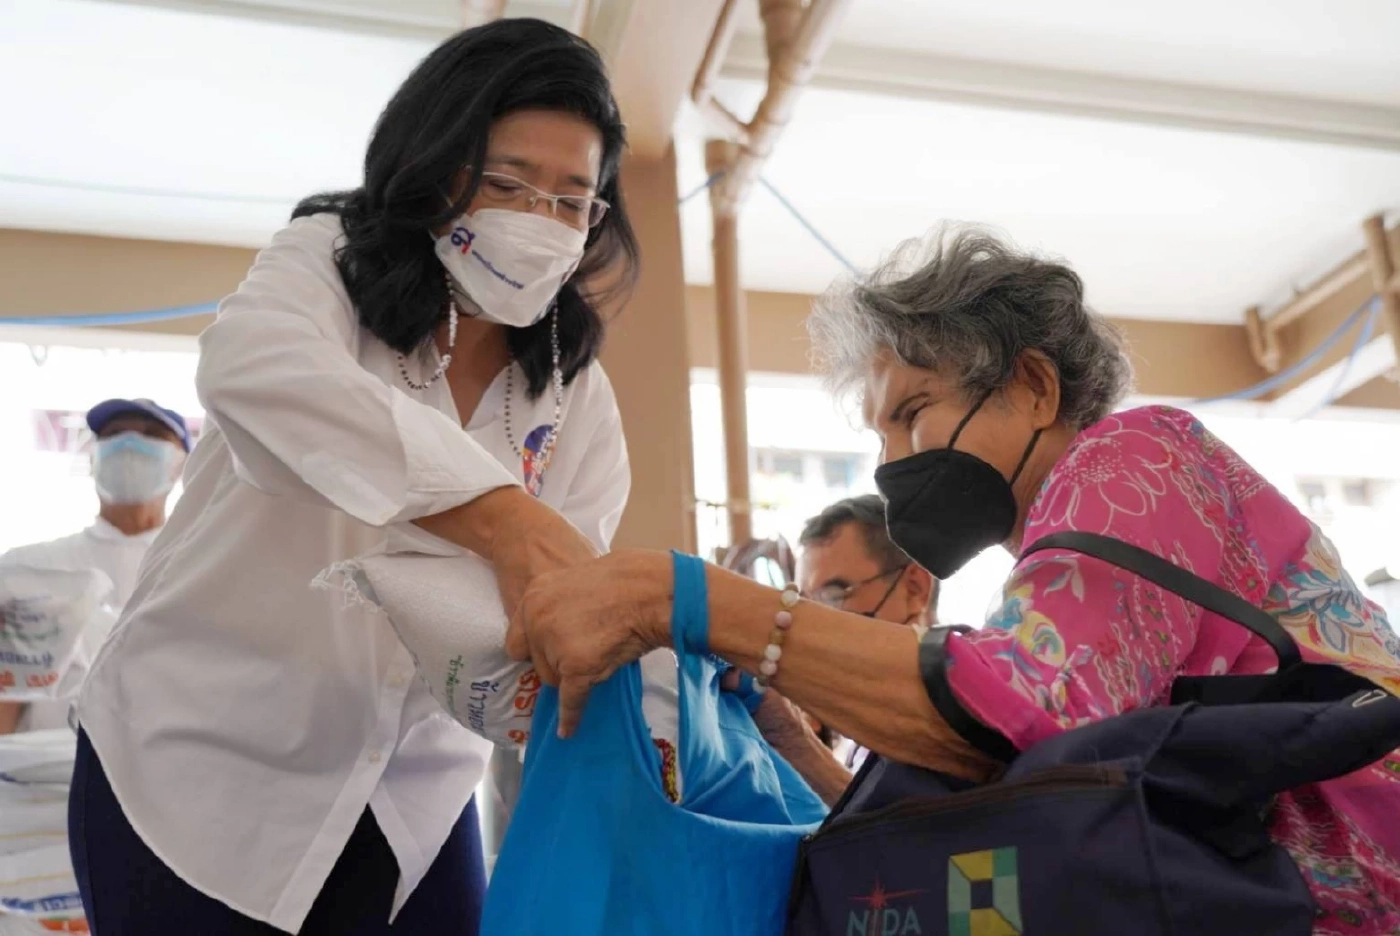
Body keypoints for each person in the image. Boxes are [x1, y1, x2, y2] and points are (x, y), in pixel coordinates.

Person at [510, 228, 1400, 934]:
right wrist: (795, 731)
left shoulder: (1135, 459)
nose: (891, 463)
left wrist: (686, 600)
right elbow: (1009, 805)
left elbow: (1023, 714)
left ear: (1036, 387)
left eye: (914, 413)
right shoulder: (1063, 561)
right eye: (879, 436)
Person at [69, 19, 638, 936]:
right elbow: (255, 372)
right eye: (506, 184)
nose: (539, 222)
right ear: (434, 167)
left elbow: (556, 600)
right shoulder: (327, 264)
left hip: (411, 785)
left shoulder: (574, 393)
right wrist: (496, 517)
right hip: (197, 768)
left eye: (573, 199)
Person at [0, 397, 190, 734]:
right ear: (93, 459)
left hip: (162, 773)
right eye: (115, 433)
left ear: (181, 464)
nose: (131, 443)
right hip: (46, 775)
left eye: (152, 434)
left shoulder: (198, 569)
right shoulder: (28, 569)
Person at [796, 493, 938, 769]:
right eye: (804, 602)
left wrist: (797, 742)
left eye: (833, 595)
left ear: (914, 588)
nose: (813, 621)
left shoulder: (946, 716)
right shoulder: (858, 713)